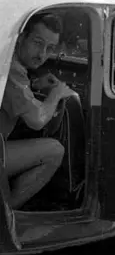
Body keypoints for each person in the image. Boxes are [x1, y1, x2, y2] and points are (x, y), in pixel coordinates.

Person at [1, 13, 78, 208]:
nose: (42, 54)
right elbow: (37, 121)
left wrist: (34, 85)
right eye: (37, 42)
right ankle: (7, 214)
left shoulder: (10, 63)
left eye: (50, 48)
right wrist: (56, 94)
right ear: (20, 38)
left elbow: (12, 95)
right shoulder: (12, 69)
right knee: (54, 150)